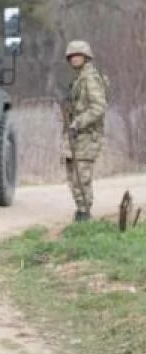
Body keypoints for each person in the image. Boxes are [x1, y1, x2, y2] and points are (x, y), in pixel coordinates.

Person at [62, 40, 109, 222]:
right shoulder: (80, 78)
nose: (74, 59)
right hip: (77, 135)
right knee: (73, 174)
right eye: (72, 56)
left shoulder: (90, 78)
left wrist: (78, 122)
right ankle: (81, 210)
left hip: (87, 136)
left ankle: (84, 212)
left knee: (81, 176)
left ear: (86, 57)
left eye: (78, 55)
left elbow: (99, 107)